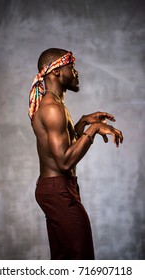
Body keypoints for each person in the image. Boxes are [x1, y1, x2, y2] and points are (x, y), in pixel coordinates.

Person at [28, 48, 123, 260]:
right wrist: (94, 129)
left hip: (57, 188)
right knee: (82, 260)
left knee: (66, 262)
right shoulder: (53, 108)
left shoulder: (56, 105)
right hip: (58, 190)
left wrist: (81, 123)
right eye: (71, 67)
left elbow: (61, 149)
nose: (76, 72)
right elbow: (64, 161)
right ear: (57, 72)